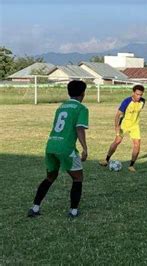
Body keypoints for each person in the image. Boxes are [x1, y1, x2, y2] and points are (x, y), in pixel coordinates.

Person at [28, 80, 89, 218]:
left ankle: (35, 208)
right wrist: (85, 148)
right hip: (65, 148)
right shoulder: (81, 108)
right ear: (83, 93)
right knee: (78, 178)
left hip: (51, 145)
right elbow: (79, 128)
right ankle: (73, 211)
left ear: (69, 92)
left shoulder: (61, 107)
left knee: (50, 177)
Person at [99, 85, 145, 172]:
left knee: (137, 144)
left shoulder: (143, 102)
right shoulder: (126, 101)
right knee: (117, 141)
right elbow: (117, 115)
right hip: (124, 125)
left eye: (141, 95)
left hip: (135, 126)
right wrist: (117, 127)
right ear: (133, 93)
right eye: (137, 94)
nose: (139, 96)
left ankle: (131, 165)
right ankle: (106, 160)